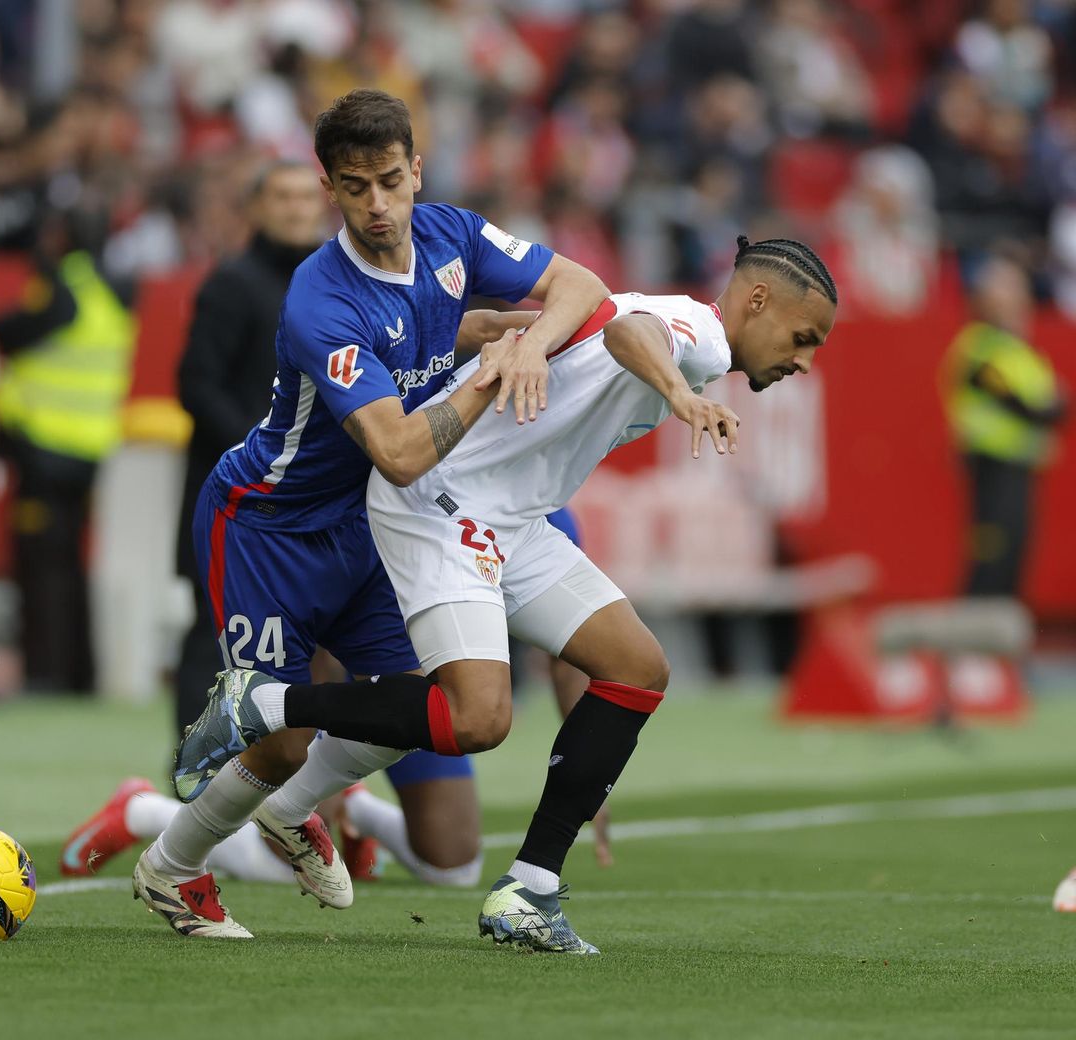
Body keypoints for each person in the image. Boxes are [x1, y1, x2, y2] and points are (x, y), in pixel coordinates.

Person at [176, 237, 837, 951]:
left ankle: (531, 888)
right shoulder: (699, 335)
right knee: (478, 718)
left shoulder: (691, 333)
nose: (803, 361)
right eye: (804, 338)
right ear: (758, 301)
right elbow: (625, 329)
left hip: (511, 522)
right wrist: (681, 394)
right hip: (443, 507)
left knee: (638, 667)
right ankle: (263, 705)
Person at [131, 88, 609, 938]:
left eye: (391, 180)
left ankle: (294, 808)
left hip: (363, 528)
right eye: (356, 187)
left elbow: (580, 284)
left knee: (425, 703)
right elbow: (397, 449)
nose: (379, 205)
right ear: (331, 187)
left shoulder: (454, 236)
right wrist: (498, 364)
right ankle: (170, 870)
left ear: (417, 169)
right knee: (275, 743)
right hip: (267, 528)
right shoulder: (320, 298)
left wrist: (523, 339)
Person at [174, 160, 327, 734]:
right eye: (280, 197)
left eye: (303, 198)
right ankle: (196, 770)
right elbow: (195, 384)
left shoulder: (331, 283)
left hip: (307, 499)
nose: (294, 208)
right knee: (212, 633)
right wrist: (259, 451)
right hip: (234, 498)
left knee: (306, 640)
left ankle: (293, 781)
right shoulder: (232, 284)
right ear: (256, 209)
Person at [0, 243, 135, 694]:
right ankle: (78, 672)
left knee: (42, 564)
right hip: (89, 450)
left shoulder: (63, 290)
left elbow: (6, 332)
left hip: (44, 449)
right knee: (71, 564)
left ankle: (45, 672)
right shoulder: (115, 294)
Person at [943, 255, 1066, 597]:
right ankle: (975, 636)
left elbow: (1057, 407)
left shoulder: (1019, 350)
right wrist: (1046, 408)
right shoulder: (978, 345)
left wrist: (1048, 408)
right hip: (992, 464)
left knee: (1014, 555)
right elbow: (1026, 405)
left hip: (1021, 465)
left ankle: (996, 639)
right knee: (992, 555)